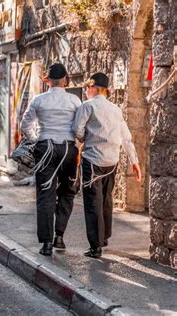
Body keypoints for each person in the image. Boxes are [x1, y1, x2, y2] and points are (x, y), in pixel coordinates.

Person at [73, 73, 142, 258]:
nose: (86, 91)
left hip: (93, 160)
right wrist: (134, 162)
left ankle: (95, 246)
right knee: (106, 199)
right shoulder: (116, 109)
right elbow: (126, 137)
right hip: (112, 161)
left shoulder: (87, 106)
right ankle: (104, 238)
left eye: (87, 87)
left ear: (93, 88)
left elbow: (77, 130)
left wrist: (84, 140)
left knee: (92, 202)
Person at [20, 63, 81, 256]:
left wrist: (36, 140)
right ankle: (59, 237)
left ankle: (46, 243)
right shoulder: (75, 100)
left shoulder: (39, 100)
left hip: (46, 146)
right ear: (65, 79)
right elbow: (80, 127)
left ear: (48, 80)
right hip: (67, 148)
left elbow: (25, 125)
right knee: (67, 192)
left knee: (45, 195)